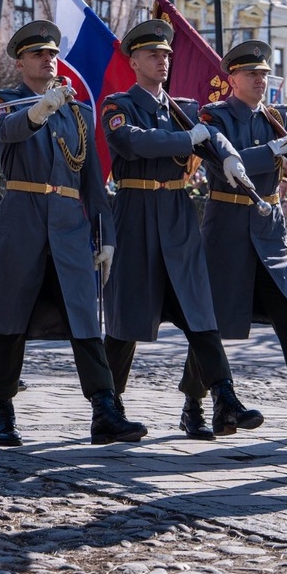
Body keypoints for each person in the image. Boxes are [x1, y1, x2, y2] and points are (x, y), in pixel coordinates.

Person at [0, 20, 146, 446]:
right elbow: (5, 134)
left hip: (68, 224)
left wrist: (108, 235)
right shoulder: (3, 102)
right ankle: (3, 410)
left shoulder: (79, 110)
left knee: (85, 321)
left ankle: (105, 409)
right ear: (20, 62)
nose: (48, 59)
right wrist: (39, 109)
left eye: (52, 54)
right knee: (10, 320)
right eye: (38, 54)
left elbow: (92, 179)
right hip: (21, 219)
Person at [100, 22, 262, 441]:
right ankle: (108, 407)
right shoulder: (119, 104)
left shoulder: (184, 107)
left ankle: (224, 396)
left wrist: (228, 158)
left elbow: (214, 134)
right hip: (134, 211)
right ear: (133, 61)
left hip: (176, 210)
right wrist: (186, 138)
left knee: (199, 308)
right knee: (126, 316)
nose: (162, 60)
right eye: (153, 54)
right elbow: (134, 142)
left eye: (167, 55)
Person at [199, 39, 287, 438]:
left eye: (264, 74)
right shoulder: (214, 114)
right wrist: (269, 151)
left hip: (266, 231)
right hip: (227, 224)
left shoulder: (277, 116)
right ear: (233, 79)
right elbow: (223, 157)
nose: (261, 80)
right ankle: (203, 399)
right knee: (211, 318)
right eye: (252, 74)